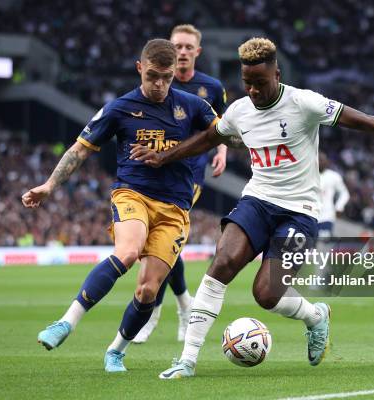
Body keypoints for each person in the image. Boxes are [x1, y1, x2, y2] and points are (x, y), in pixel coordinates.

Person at [130, 37, 374, 379]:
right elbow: (208, 138)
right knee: (222, 263)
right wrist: (163, 156)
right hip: (257, 201)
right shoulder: (240, 111)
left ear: (277, 73)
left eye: (260, 83)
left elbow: (363, 120)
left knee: (266, 293)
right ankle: (187, 361)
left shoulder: (305, 103)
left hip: (299, 211)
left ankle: (316, 316)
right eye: (247, 83)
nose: (254, 91)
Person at [21, 39, 219, 373]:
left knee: (148, 289)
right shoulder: (119, 108)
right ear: (139, 68)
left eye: (166, 78)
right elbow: (81, 149)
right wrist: (50, 185)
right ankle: (65, 322)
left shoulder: (193, 106)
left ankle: (115, 350)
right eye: (152, 75)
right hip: (132, 194)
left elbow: (222, 133)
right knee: (127, 251)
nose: (159, 85)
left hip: (175, 207)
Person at [133, 24, 228, 344]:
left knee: (161, 239)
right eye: (178, 47)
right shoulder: (157, 88)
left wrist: (223, 151)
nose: (183, 52)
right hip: (154, 172)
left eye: (188, 47)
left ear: (197, 52)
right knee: (159, 243)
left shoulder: (211, 87)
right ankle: (184, 303)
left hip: (189, 175)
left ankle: (154, 312)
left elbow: (221, 124)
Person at [317, 152, 349, 239]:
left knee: (321, 244)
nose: (320, 162)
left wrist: (339, 207)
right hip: (309, 215)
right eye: (318, 159)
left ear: (327, 162)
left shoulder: (334, 176)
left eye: (322, 160)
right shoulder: (308, 174)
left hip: (326, 216)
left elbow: (344, 193)